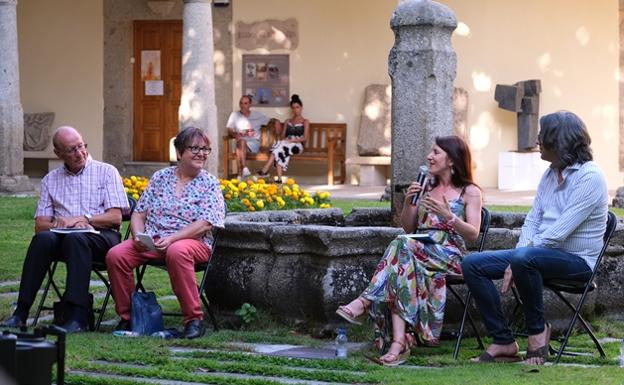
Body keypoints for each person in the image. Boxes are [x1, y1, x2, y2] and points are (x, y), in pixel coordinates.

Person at [461, 111, 608, 365]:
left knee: (524, 258)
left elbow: (560, 231)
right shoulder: (550, 174)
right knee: (472, 264)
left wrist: (520, 258)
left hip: (577, 263)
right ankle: (504, 341)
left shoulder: (590, 177)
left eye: (542, 136)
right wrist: (519, 254)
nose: (537, 140)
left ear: (559, 141)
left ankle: (537, 333)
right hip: (535, 256)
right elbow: (533, 220)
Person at [336, 135, 482, 366]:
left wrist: (449, 216)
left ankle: (365, 302)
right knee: (402, 261)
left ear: (452, 160)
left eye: (435, 152)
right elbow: (408, 227)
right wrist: (408, 203)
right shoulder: (425, 186)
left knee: (402, 245)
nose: (428, 157)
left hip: (449, 253)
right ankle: (398, 342)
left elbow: (473, 234)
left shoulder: (469, 191)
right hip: (416, 249)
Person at [1, 126, 129, 332]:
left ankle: (77, 316)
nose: (79, 153)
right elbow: (40, 226)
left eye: (81, 146)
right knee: (43, 240)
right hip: (64, 237)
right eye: (71, 150)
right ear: (59, 154)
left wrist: (83, 219)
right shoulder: (50, 180)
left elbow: (115, 218)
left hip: (102, 237)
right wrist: (61, 224)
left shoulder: (106, 172)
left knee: (76, 239)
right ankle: (21, 313)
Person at [106, 127, 226, 339]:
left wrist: (172, 238)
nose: (202, 153)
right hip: (154, 241)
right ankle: (129, 317)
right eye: (195, 148)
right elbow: (139, 213)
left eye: (206, 149)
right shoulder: (160, 177)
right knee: (116, 255)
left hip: (192, 243)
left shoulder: (209, 183)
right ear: (179, 152)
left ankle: (193, 320)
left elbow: (206, 223)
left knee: (177, 251)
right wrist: (139, 236)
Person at [256, 94, 309, 181]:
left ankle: (265, 170)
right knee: (280, 150)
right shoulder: (288, 121)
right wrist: (277, 129)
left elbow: (305, 138)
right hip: (286, 144)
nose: (296, 110)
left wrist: (293, 140)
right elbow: (283, 136)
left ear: (301, 107)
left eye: (297, 107)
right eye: (294, 108)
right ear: (292, 109)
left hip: (297, 146)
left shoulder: (305, 122)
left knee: (279, 148)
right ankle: (279, 179)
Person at [226, 95, 269, 178]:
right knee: (241, 143)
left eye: (245, 103)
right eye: (241, 103)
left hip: (254, 143)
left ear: (250, 105)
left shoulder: (257, 115)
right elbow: (229, 129)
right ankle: (244, 169)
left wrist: (281, 125)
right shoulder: (234, 115)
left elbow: (271, 122)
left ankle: (240, 174)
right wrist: (235, 134)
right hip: (240, 142)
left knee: (239, 149)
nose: (242, 105)